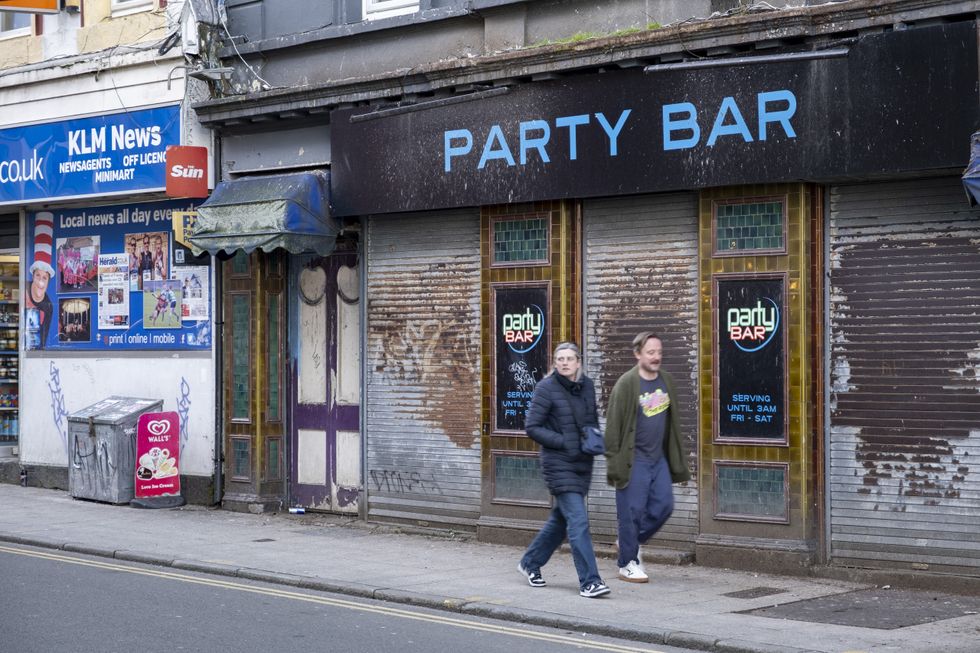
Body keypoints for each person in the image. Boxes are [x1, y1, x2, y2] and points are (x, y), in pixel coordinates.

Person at [517, 342, 610, 599]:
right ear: (555, 363)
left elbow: (590, 419)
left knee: (561, 519)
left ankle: (530, 562)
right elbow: (532, 427)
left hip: (582, 463)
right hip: (558, 463)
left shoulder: (587, 386)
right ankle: (590, 581)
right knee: (578, 521)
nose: (565, 363)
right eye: (560, 359)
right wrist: (565, 442)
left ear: (578, 362)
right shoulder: (545, 388)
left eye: (569, 358)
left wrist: (595, 440)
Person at [604, 332, 690, 583]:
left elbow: (672, 422)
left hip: (658, 458)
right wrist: (614, 462)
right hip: (634, 458)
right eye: (651, 352)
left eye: (659, 352)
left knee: (665, 505)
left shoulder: (666, 381)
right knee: (631, 511)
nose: (656, 357)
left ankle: (630, 541)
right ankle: (627, 564)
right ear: (638, 354)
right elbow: (613, 427)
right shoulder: (626, 384)